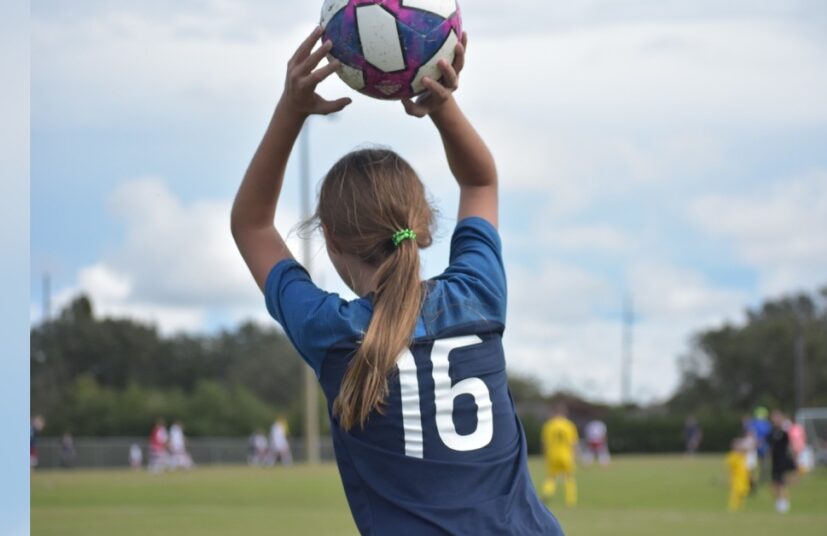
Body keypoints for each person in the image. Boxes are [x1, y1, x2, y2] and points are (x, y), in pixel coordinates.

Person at [230, 27, 562, 534]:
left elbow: (251, 225)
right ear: (424, 227)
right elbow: (481, 180)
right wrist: (441, 101)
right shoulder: (475, 294)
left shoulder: (333, 333)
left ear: (333, 242)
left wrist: (291, 108)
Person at [541, 405, 579, 507]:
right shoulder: (569, 425)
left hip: (552, 454)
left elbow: (544, 443)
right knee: (569, 477)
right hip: (566, 455)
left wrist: (545, 455)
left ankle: (547, 492)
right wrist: (575, 456)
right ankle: (570, 500)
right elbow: (573, 443)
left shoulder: (549, 425)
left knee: (551, 477)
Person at [768, 410, 797, 513]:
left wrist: (793, 456)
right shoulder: (771, 432)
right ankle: (779, 502)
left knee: (781, 483)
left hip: (782, 460)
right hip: (774, 461)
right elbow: (770, 447)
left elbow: (790, 445)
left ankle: (783, 504)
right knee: (774, 484)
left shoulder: (784, 433)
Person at [725, 438, 751, 512]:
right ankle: (733, 507)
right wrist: (729, 478)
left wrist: (749, 476)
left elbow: (747, 467)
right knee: (735, 492)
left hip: (744, 477)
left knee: (743, 492)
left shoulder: (744, 456)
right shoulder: (732, 456)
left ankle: (741, 506)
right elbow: (730, 469)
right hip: (736, 478)